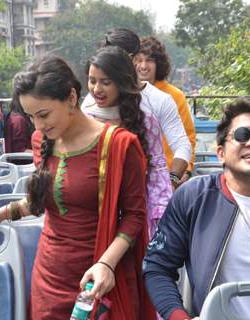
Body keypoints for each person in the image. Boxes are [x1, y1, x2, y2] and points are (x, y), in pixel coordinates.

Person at [0, 55, 155, 320]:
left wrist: (106, 264)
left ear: (71, 98)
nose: (39, 125)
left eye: (43, 115)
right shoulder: (42, 141)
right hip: (49, 275)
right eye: (31, 117)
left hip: (97, 276)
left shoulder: (119, 145)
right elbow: (40, 202)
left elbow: (135, 216)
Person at [143, 99, 250, 320]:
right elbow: (157, 267)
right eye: (242, 135)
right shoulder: (193, 197)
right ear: (221, 153)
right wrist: (179, 317)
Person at [81, 28, 191, 189]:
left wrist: (170, 181)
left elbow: (182, 145)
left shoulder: (158, 101)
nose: (98, 89)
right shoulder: (92, 103)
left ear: (132, 60)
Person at [84, 46, 172, 237]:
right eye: (92, 81)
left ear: (121, 82)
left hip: (137, 213)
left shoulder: (145, 120)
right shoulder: (84, 120)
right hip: (93, 216)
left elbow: (157, 169)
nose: (96, 89)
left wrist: (159, 211)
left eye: (105, 82)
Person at [134, 36, 196, 183]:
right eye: (138, 60)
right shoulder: (125, 94)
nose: (143, 66)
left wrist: (185, 171)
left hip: (168, 174)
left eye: (149, 60)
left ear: (158, 64)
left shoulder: (174, 96)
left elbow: (188, 137)